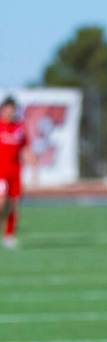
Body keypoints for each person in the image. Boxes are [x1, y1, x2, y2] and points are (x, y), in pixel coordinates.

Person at [0, 96, 32, 249]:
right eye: (7, 109)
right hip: (1, 173)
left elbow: (25, 149)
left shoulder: (19, 128)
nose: (10, 113)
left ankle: (9, 235)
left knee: (14, 205)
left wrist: (33, 166)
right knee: (1, 202)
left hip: (15, 172)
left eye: (12, 110)